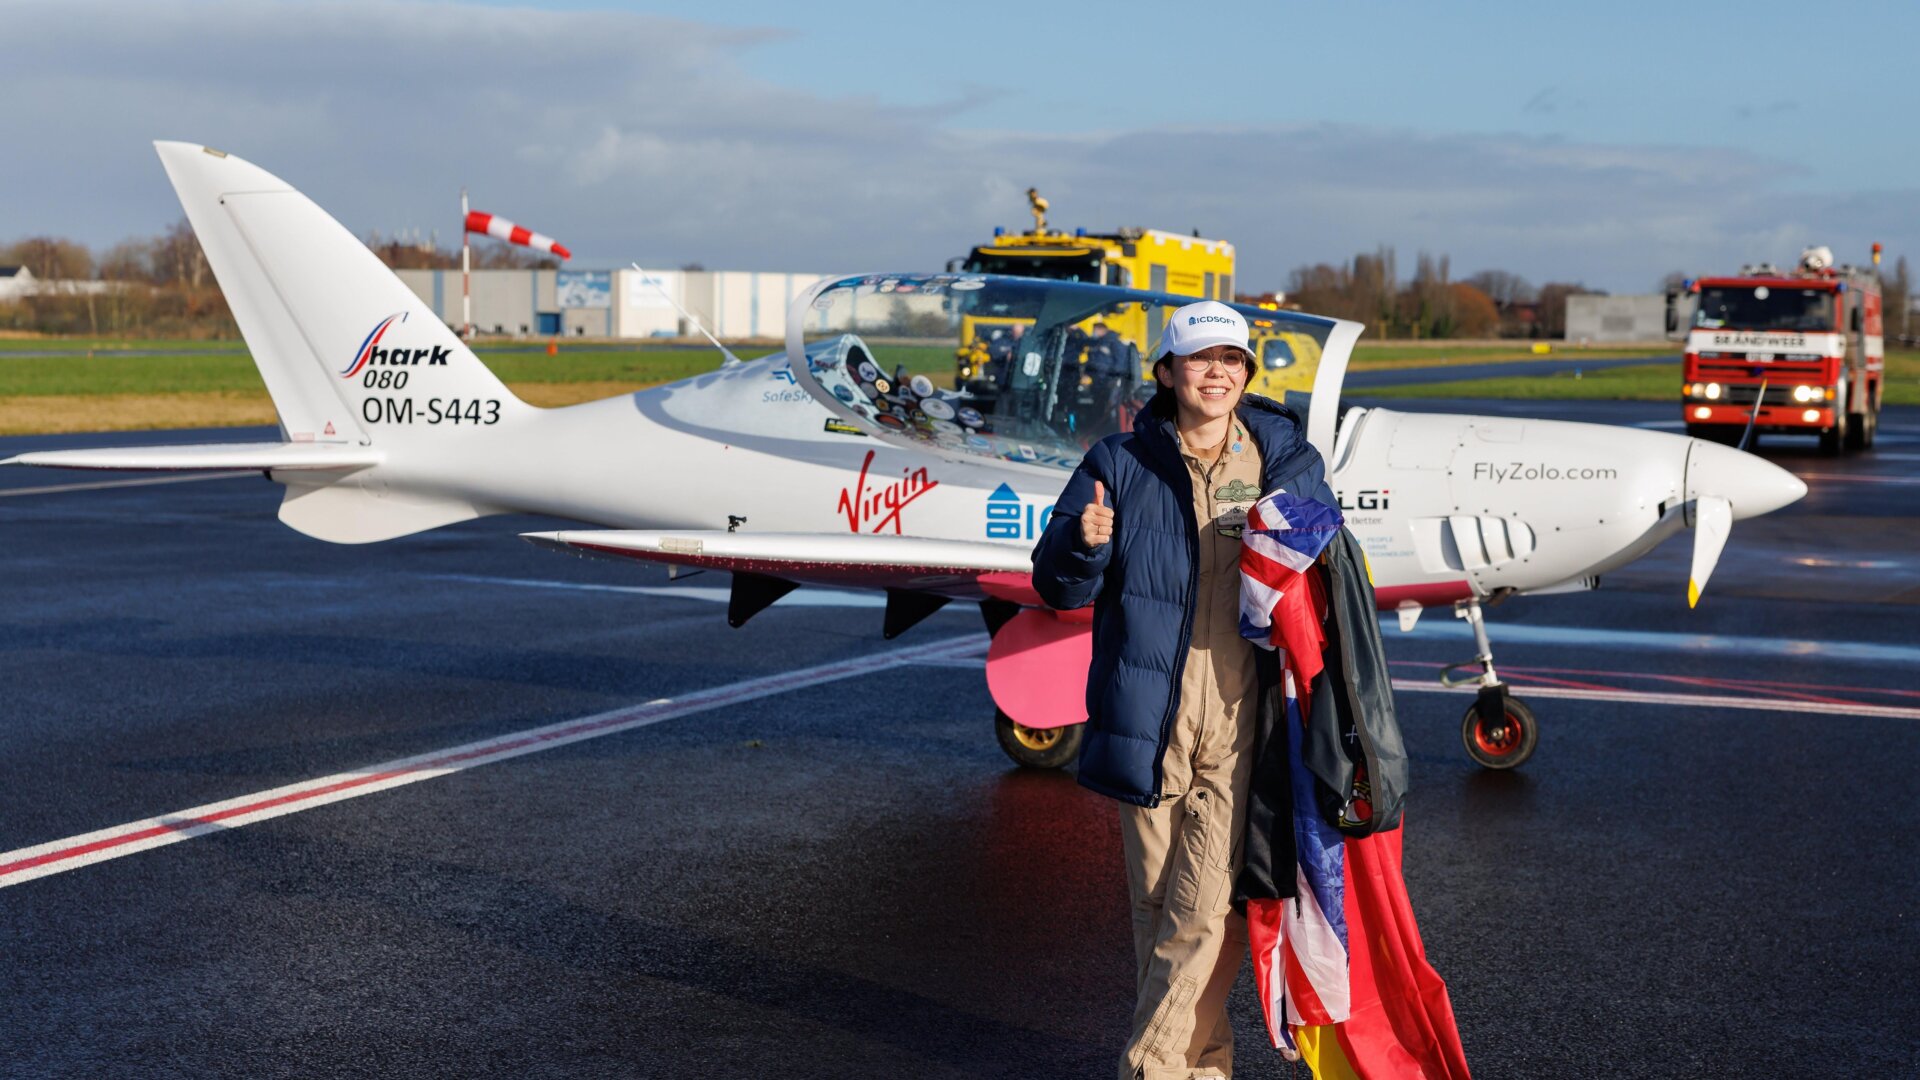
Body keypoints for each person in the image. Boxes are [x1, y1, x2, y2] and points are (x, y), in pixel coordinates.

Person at [1031, 300, 1337, 1080]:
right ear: (1167, 373)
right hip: (1147, 725)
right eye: (1201, 359)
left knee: (1201, 916)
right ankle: (1206, 1068)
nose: (1217, 372)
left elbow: (1323, 540)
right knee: (1157, 916)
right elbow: (1057, 585)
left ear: (1247, 375)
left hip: (1243, 725)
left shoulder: (1282, 461)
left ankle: (1150, 1068)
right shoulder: (1117, 463)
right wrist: (1081, 544)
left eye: (1232, 359)